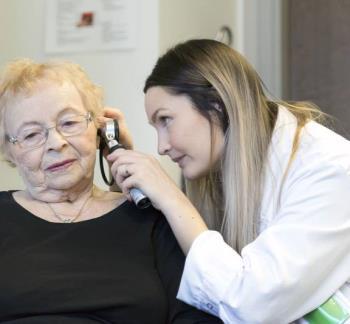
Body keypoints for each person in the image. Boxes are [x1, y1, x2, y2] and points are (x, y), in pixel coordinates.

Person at [106, 39, 350, 323]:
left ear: (216, 105)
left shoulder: (331, 170)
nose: (161, 146)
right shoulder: (225, 165)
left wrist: (171, 198)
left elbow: (251, 304)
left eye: (166, 120)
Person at [0, 58, 223, 323]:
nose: (56, 143)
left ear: (101, 129)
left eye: (69, 123)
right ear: (9, 151)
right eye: (30, 135)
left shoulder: (149, 217)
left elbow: (196, 316)